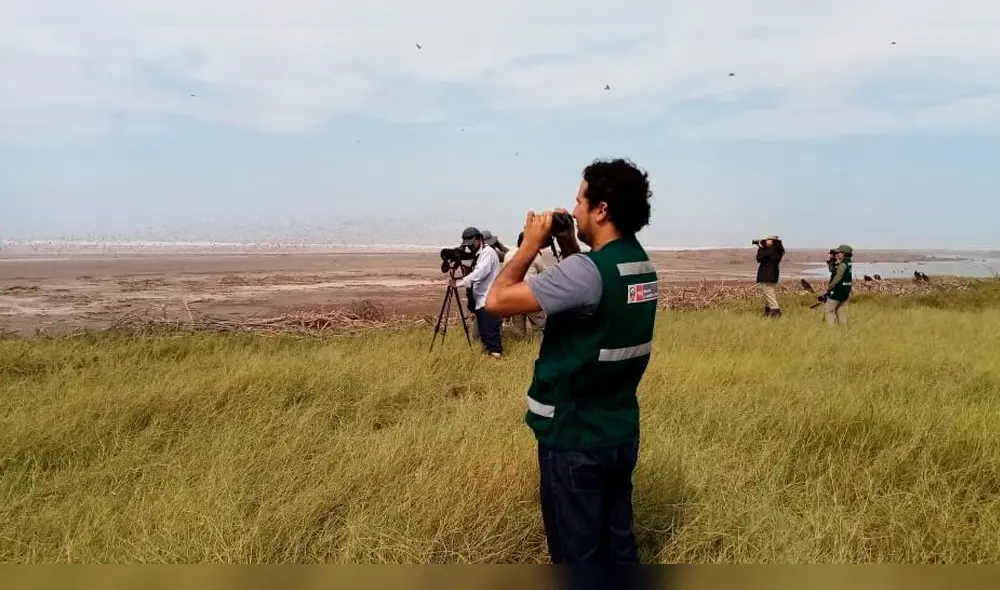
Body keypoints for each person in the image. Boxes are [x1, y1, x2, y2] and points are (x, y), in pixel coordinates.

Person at [485, 158, 657, 565]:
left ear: (601, 210)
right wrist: (568, 244)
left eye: (581, 201)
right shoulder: (639, 265)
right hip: (618, 430)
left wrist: (529, 245)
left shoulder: (587, 273)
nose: (574, 209)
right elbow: (591, 298)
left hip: (574, 436)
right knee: (617, 545)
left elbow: (496, 302)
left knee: (577, 553)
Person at [453, 226, 503, 357]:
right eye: (467, 245)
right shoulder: (479, 254)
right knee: (484, 332)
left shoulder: (488, 253)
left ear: (480, 239)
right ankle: (489, 355)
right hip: (481, 300)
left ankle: (496, 356)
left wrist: (459, 283)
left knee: (491, 331)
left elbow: (480, 273)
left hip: (488, 299)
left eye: (472, 244)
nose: (470, 247)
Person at [503, 231, 549, 337]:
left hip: (514, 295)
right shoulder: (535, 255)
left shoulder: (509, 255)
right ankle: (536, 349)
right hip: (531, 295)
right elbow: (544, 273)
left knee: (519, 328)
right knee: (539, 326)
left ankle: (521, 348)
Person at [821, 244, 853, 326]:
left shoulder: (842, 264)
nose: (837, 254)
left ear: (844, 253)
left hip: (838, 291)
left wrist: (830, 286)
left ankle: (832, 330)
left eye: (839, 252)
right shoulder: (849, 263)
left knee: (829, 310)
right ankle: (843, 330)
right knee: (840, 310)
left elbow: (838, 277)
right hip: (846, 292)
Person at [755, 234, 785, 317]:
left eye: (768, 239)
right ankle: (768, 312)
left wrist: (760, 248)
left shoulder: (770, 250)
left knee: (769, 294)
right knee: (768, 294)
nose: (765, 241)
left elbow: (759, 258)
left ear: (773, 241)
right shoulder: (777, 250)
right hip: (772, 275)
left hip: (766, 275)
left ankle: (775, 312)